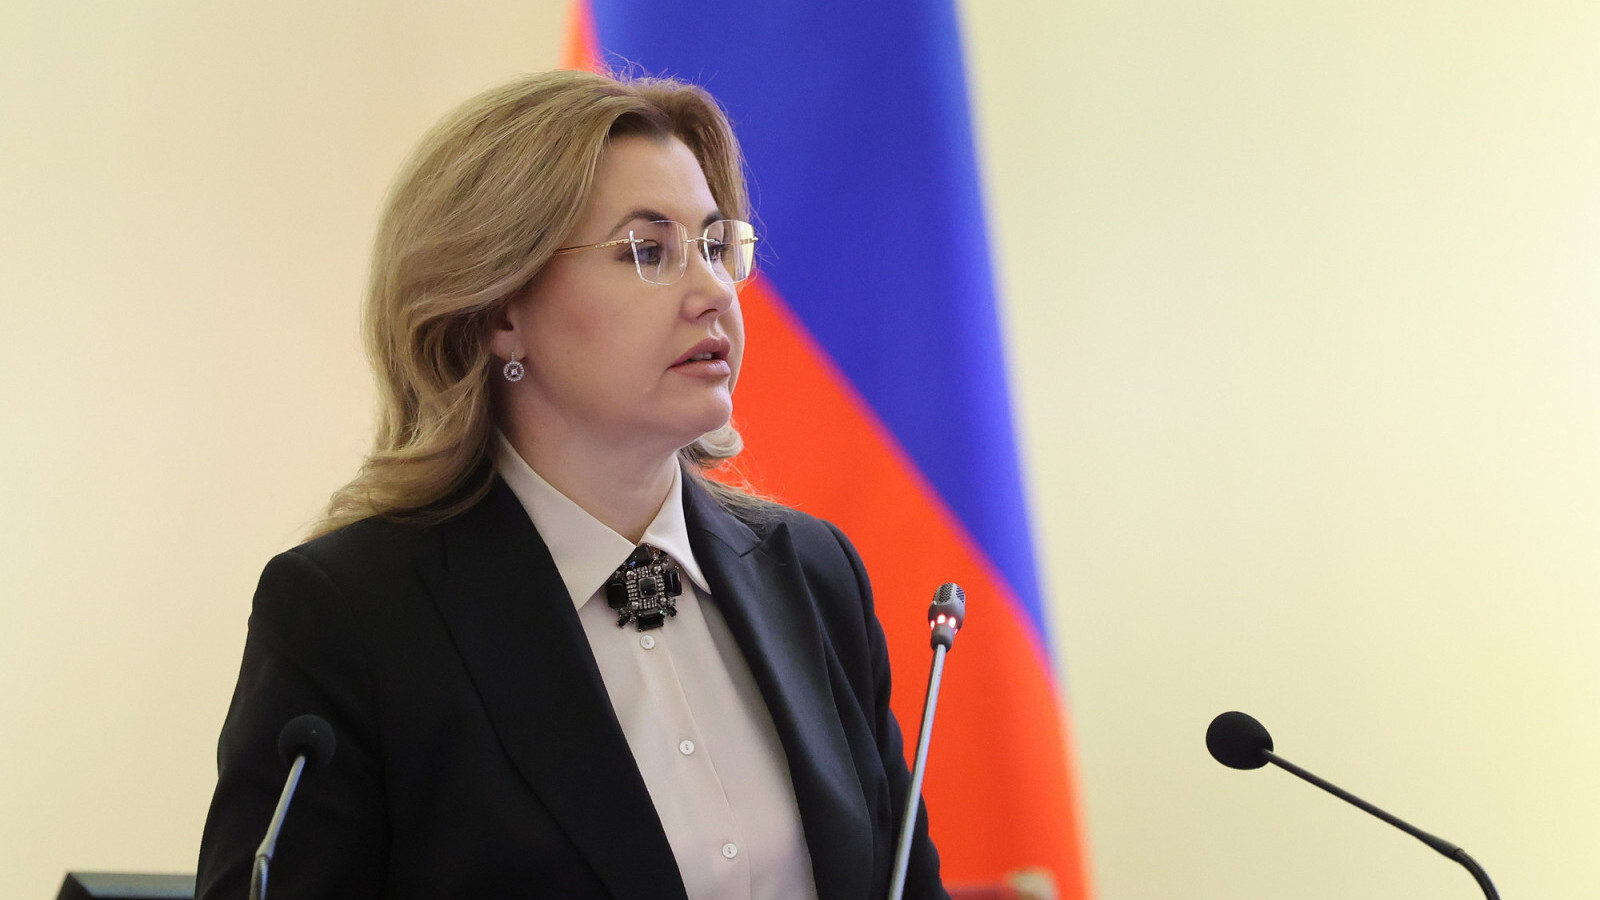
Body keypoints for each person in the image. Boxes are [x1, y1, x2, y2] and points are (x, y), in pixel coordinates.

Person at [195, 70, 948, 900]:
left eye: (714, 246)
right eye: (647, 251)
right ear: (501, 312)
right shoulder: (352, 618)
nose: (713, 294)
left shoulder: (810, 573)